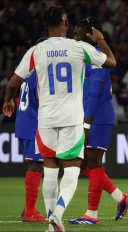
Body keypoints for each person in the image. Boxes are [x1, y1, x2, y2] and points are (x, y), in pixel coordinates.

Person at [2, 6, 116, 232]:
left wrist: (8, 101)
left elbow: (14, 82)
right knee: (72, 169)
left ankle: (51, 223)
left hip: (45, 119)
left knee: (50, 168)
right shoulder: (79, 47)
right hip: (72, 118)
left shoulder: (36, 50)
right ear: (65, 22)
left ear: (46, 25)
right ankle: (58, 215)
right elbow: (111, 62)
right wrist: (100, 39)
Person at [69, 17, 128, 225]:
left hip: (98, 118)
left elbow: (95, 94)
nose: (74, 33)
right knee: (83, 164)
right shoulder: (83, 58)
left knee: (94, 163)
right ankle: (120, 197)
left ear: (90, 35)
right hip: (87, 116)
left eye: (78, 30)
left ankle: (92, 214)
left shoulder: (98, 59)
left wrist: (86, 123)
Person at [17, 37, 49, 223]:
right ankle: (29, 211)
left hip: (23, 122)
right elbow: (41, 100)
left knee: (37, 164)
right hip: (33, 124)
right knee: (36, 165)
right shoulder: (39, 73)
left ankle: (29, 209)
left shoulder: (26, 72)